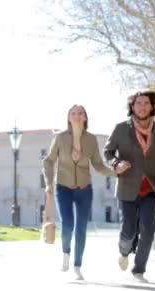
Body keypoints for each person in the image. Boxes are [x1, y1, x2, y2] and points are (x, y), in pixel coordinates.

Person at [104, 90, 155, 283]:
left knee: (148, 228)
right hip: (127, 186)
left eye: (146, 103)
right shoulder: (121, 129)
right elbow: (108, 152)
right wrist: (117, 164)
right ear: (132, 107)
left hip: (151, 186)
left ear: (152, 106)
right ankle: (124, 251)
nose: (142, 107)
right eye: (138, 103)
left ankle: (139, 270)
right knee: (128, 230)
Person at [42, 104, 116, 280]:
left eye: (80, 113)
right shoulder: (60, 138)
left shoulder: (91, 139)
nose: (76, 116)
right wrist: (48, 184)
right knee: (67, 225)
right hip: (63, 188)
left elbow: (98, 164)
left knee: (81, 229)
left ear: (85, 118)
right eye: (73, 113)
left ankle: (77, 266)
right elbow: (48, 161)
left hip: (84, 189)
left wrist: (115, 172)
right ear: (69, 118)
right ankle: (66, 253)